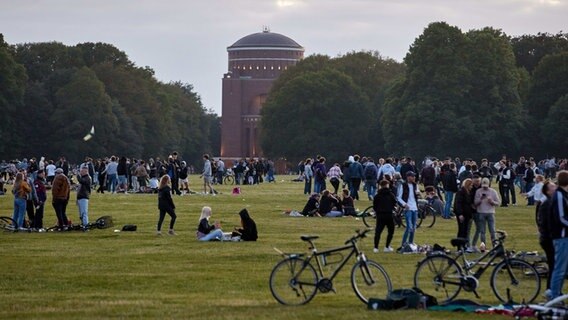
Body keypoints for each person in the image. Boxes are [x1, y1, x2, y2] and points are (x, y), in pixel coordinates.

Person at [547, 170, 568, 300]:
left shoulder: (564, 195)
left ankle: (556, 293)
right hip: (561, 236)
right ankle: (554, 296)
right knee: (560, 269)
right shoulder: (559, 196)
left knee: (563, 269)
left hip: (564, 236)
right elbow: (560, 217)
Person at [537, 181, 557, 292]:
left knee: (554, 265)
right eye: (553, 186)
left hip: (549, 237)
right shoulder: (547, 203)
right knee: (553, 265)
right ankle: (550, 289)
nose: (555, 187)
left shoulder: (551, 202)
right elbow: (545, 223)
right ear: (548, 191)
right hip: (548, 239)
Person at [473, 178, 500, 251]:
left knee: (492, 231)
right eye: (483, 186)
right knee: (482, 231)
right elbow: (475, 203)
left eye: (486, 186)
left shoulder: (493, 192)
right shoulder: (478, 191)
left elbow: (498, 203)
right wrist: (480, 199)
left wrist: (492, 201)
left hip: (490, 212)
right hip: (481, 212)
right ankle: (483, 247)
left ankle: (494, 246)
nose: (484, 188)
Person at [373, 180, 397, 253]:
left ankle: (376, 247)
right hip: (389, 214)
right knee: (391, 231)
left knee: (378, 232)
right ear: (387, 185)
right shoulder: (391, 194)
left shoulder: (377, 195)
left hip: (380, 215)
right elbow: (394, 204)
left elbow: (374, 206)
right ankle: (387, 246)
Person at [397, 171, 420, 248]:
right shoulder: (403, 185)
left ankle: (410, 243)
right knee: (409, 227)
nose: (414, 178)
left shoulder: (415, 185)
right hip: (408, 208)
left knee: (414, 227)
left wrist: (418, 194)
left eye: (414, 176)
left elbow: (418, 193)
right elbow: (399, 197)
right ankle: (403, 243)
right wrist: (404, 204)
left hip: (415, 208)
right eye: (412, 176)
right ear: (408, 177)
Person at [454, 178, 474, 248]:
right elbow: (458, 203)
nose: (472, 187)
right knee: (462, 230)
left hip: (467, 214)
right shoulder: (461, 192)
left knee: (465, 230)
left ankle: (463, 245)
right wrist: (460, 214)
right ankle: (460, 246)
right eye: (471, 185)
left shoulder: (467, 192)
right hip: (462, 214)